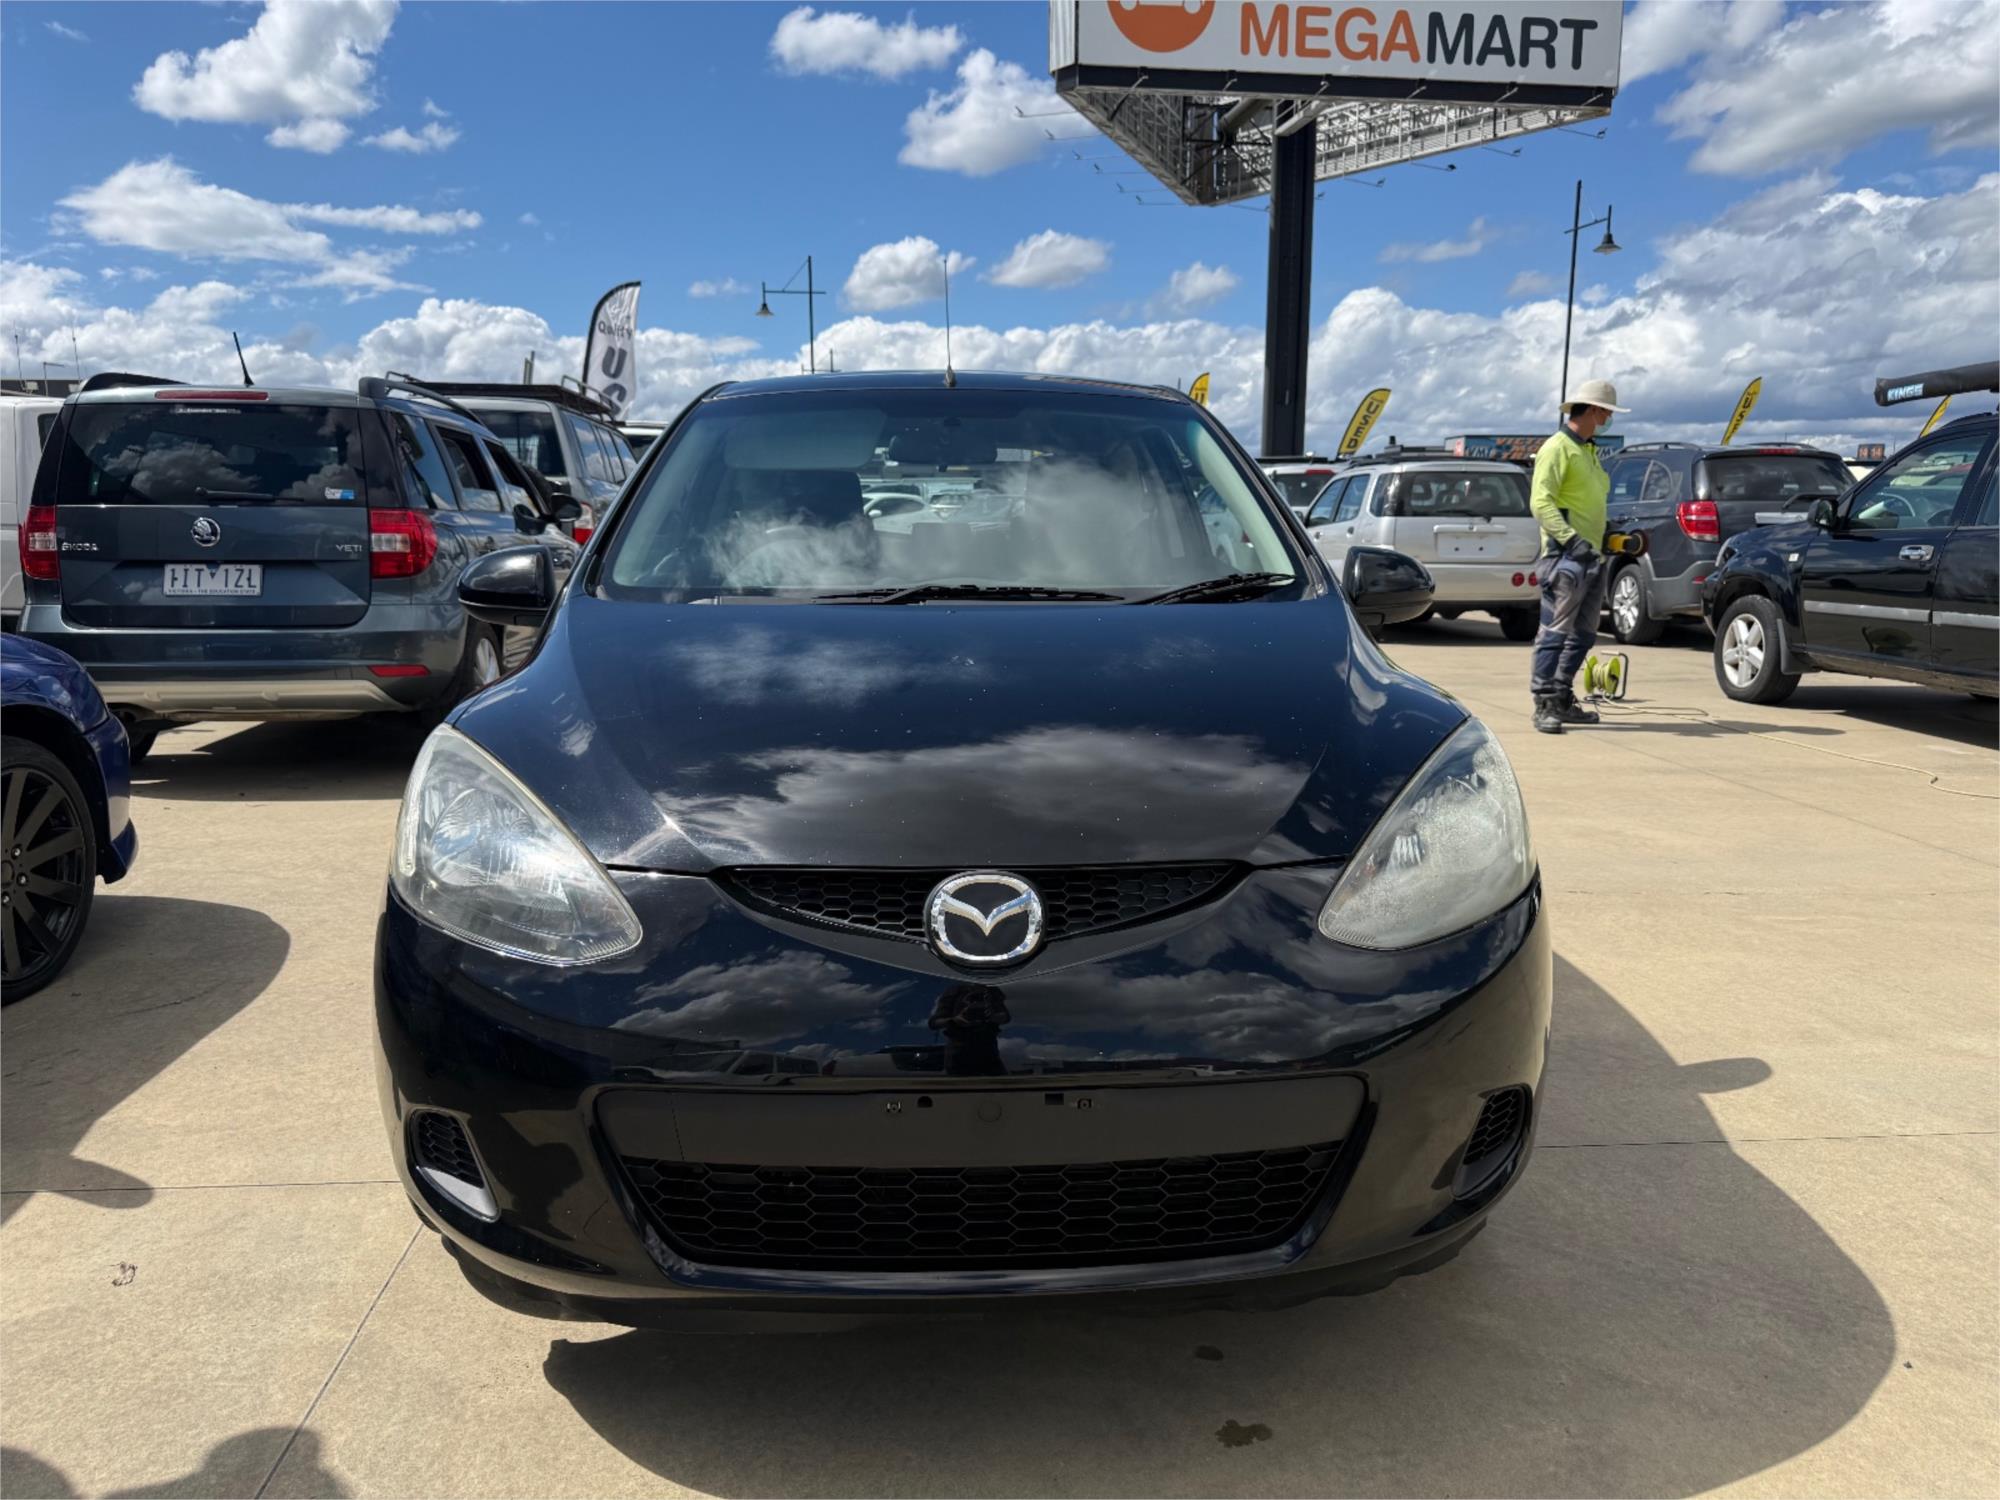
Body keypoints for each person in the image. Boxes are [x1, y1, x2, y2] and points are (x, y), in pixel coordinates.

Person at [1528, 378, 1628, 734]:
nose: (1609, 419)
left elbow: (1586, 503)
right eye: (1608, 413)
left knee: (1584, 634)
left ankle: (1560, 695)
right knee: (1554, 633)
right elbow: (1541, 502)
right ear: (1595, 410)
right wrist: (1571, 540)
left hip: (1592, 557)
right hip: (1565, 559)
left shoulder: (1587, 451)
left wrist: (1608, 531)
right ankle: (1543, 702)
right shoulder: (1558, 448)